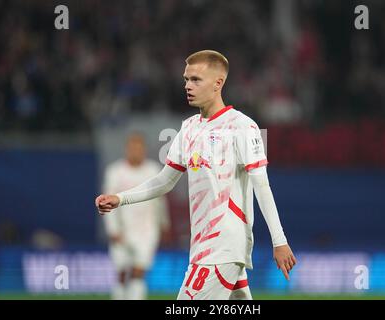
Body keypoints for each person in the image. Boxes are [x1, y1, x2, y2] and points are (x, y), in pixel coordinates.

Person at [96, 50, 296, 300]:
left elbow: (262, 186)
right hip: (202, 247)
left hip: (222, 246)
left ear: (217, 83)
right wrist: (120, 198)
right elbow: (165, 181)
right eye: (186, 79)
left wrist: (280, 241)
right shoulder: (189, 128)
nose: (188, 86)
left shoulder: (242, 127)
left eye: (196, 80)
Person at [102, 132, 170, 300]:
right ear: (127, 149)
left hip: (147, 230)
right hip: (123, 229)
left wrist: (164, 222)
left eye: (139, 148)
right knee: (122, 273)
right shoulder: (115, 172)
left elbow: (160, 200)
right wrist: (113, 229)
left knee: (139, 272)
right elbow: (107, 201)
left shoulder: (153, 170)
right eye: (133, 148)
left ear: (144, 150)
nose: (136, 152)